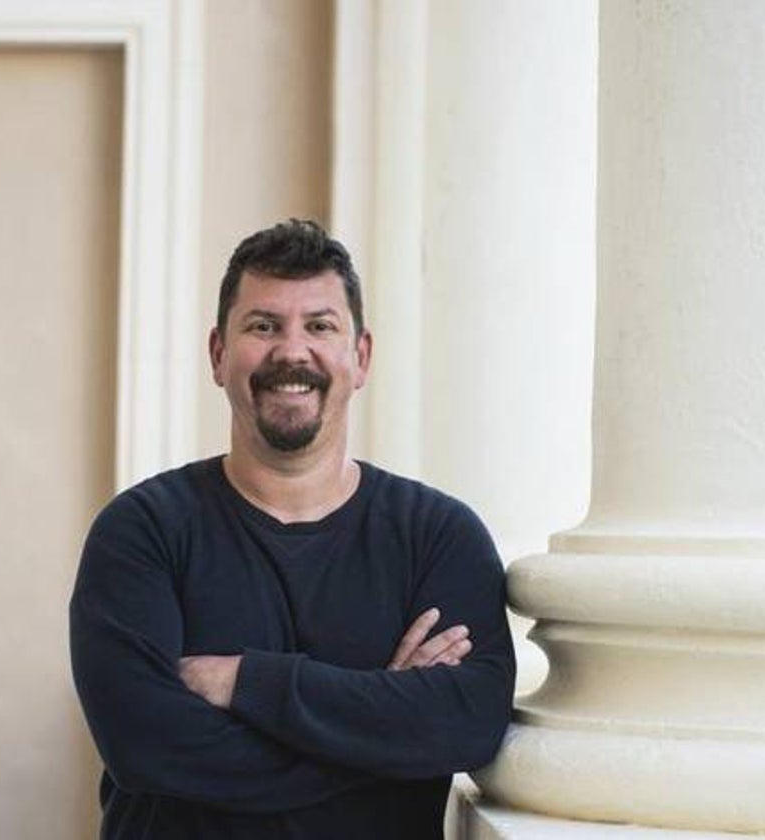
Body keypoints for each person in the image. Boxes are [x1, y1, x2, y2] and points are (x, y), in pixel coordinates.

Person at [69, 219, 515, 839]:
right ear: (219, 355)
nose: (292, 351)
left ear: (360, 358)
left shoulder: (438, 537)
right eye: (263, 325)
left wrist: (249, 683)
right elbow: (148, 746)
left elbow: (468, 724)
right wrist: (383, 721)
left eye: (320, 326)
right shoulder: (142, 532)